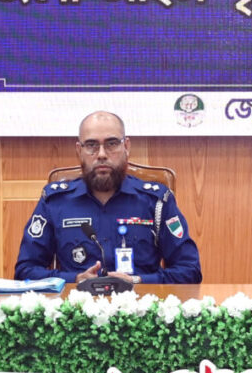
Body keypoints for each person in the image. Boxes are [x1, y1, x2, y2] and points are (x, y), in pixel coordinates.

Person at [15, 111, 201, 284]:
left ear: (126, 146)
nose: (102, 154)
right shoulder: (55, 202)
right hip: (77, 306)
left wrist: (138, 281)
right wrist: (75, 279)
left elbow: (190, 271)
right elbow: (25, 271)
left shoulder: (156, 201)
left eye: (111, 144)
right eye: (91, 145)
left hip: (140, 305)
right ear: (79, 150)